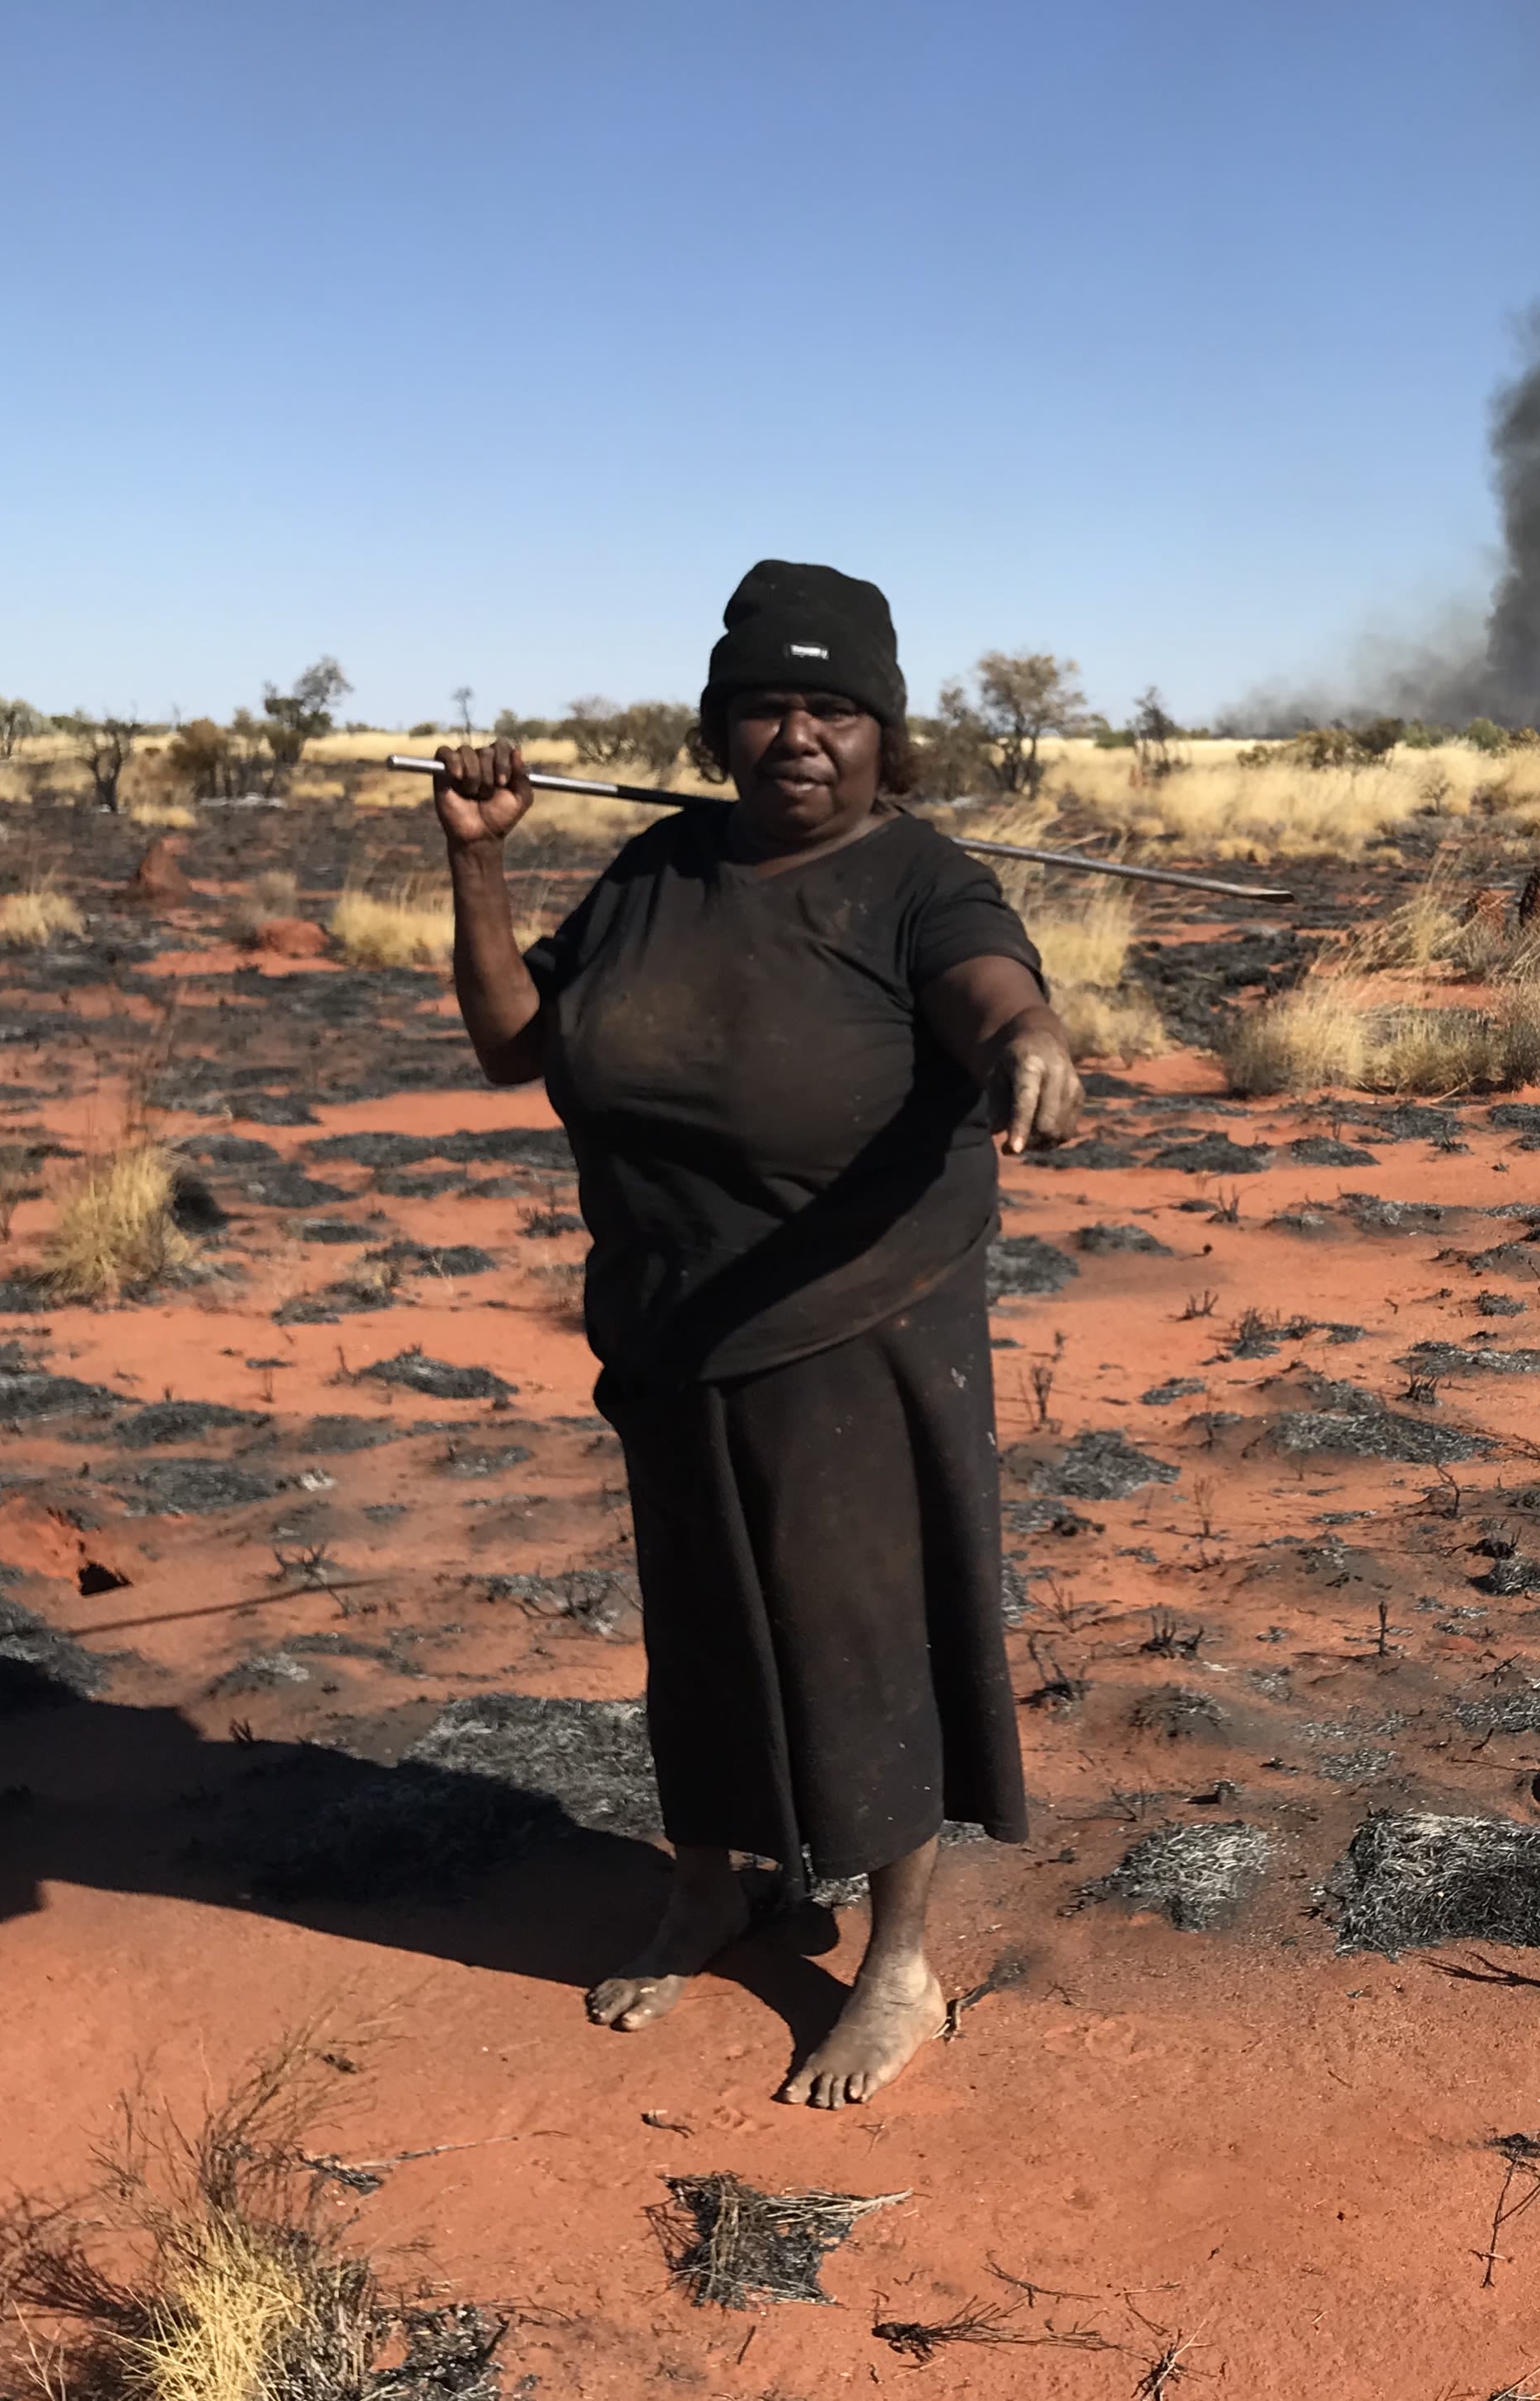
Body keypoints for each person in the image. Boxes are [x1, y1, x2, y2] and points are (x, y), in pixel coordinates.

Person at [429, 559, 1083, 2108]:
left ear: (884, 734)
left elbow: (994, 992)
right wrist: (475, 866)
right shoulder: (658, 872)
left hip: (853, 1321)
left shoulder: (917, 877)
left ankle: (899, 1960)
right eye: (768, 705)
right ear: (719, 726)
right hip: (669, 1321)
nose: (801, 734)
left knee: (858, 1635)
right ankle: (717, 1881)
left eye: (835, 707)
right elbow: (510, 1041)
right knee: (706, 1622)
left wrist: (1034, 1040)